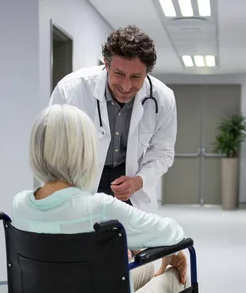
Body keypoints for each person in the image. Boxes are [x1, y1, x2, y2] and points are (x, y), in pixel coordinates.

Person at [11, 104, 234, 293]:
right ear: (84, 152)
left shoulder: (19, 205)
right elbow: (173, 233)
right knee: (176, 269)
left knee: (138, 265)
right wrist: (171, 254)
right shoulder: (99, 208)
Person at [49, 25, 177, 212]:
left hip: (128, 181)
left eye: (135, 77)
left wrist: (138, 181)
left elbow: (162, 152)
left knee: (127, 239)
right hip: (79, 179)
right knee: (82, 237)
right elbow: (51, 145)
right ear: (106, 64)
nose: (126, 86)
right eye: (119, 74)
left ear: (147, 72)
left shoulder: (163, 99)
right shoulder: (71, 89)